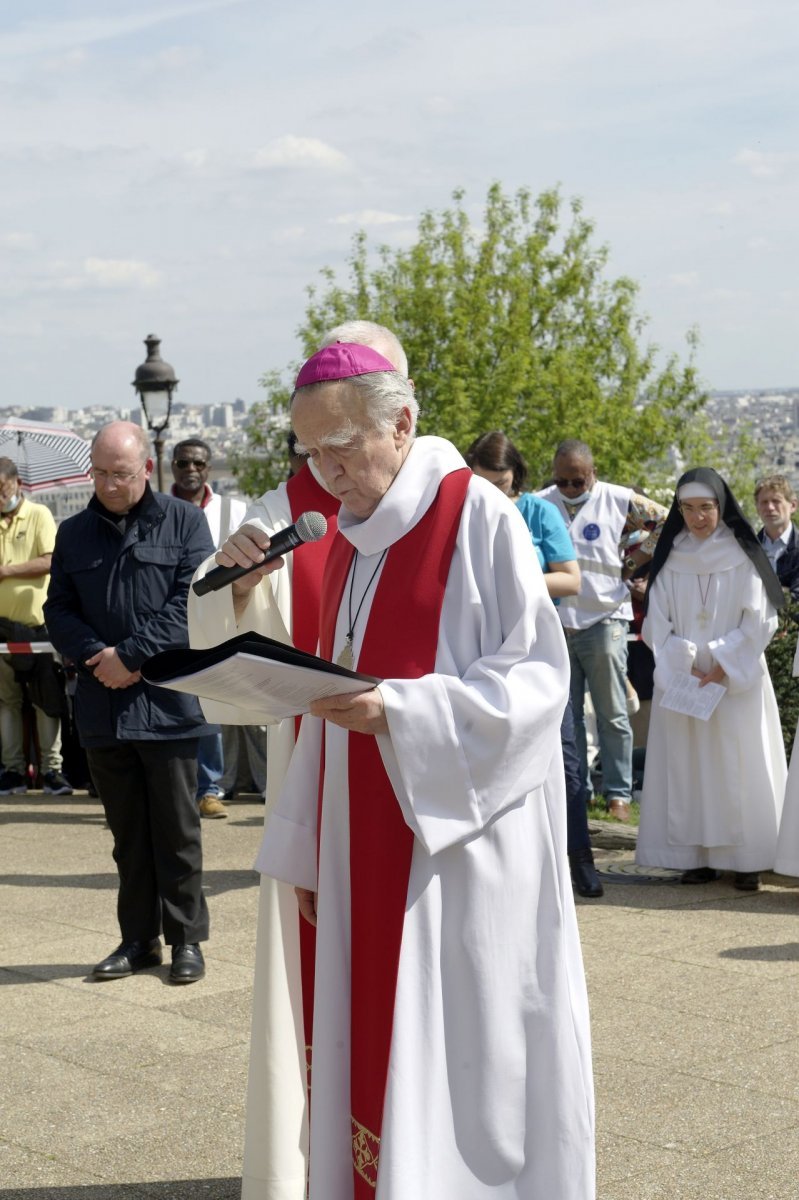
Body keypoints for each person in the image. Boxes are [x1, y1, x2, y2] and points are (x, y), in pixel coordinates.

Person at [249, 344, 594, 1198]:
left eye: (341, 448)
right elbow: (327, 703)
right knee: (373, 1047)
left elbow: (534, 684)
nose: (326, 474)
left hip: (458, 856)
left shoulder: (474, 517)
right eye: (310, 454)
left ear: (400, 424)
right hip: (363, 846)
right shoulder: (353, 540)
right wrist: (306, 845)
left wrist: (399, 714)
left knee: (464, 1055)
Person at [189, 321, 411, 1200]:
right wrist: (239, 580)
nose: (331, 461)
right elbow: (226, 646)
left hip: (415, 771)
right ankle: (310, 1164)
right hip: (315, 772)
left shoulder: (450, 512)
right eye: (316, 443)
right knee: (311, 985)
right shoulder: (285, 514)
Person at [44, 421, 216, 984]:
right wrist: (99, 656)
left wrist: (133, 656)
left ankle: (187, 939)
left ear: (146, 467)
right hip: (103, 705)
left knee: (178, 831)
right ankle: (138, 940)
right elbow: (58, 611)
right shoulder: (73, 534)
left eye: (120, 473)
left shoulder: (186, 522)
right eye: (100, 473)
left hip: (167, 704)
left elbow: (191, 604)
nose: (109, 484)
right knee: (128, 838)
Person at [465, 430, 603, 899]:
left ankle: (578, 855)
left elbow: (571, 580)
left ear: (515, 478)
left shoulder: (538, 511)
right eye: (483, 483)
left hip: (538, 650)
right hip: (478, 650)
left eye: (501, 484)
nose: (493, 493)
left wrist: (516, 579)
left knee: (563, 758)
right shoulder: (463, 511)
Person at [635, 467, 786, 890]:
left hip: (734, 684)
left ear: (721, 507)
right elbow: (655, 622)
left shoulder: (741, 554)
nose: (698, 518)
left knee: (736, 767)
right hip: (685, 683)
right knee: (688, 769)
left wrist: (720, 665)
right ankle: (696, 857)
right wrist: (684, 663)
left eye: (706, 508)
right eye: (689, 509)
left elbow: (761, 619)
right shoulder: (672, 556)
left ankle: (745, 861)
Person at [538, 440, 667, 822]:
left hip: (605, 616)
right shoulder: (541, 501)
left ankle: (618, 792)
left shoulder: (618, 499)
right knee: (568, 712)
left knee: (612, 711)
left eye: (578, 481)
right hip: (558, 620)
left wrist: (634, 561)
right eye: (563, 481)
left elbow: (666, 520)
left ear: (592, 473)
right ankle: (576, 789)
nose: (571, 488)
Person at [171, 437, 247, 818]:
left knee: (209, 703)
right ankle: (179, 789)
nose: (191, 471)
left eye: (198, 464)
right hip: (169, 619)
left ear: (209, 467)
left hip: (215, 617)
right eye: (183, 463)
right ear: (172, 466)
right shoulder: (158, 510)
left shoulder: (232, 511)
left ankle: (208, 789)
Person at [0, 458, 72, 796]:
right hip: (2, 630)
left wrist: (7, 571)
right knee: (7, 702)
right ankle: (13, 770)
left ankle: (52, 771)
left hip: (37, 628)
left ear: (16, 483)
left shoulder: (39, 515)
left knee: (46, 701)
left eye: (3, 487)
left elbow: (51, 559)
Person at [755, 473, 799, 599]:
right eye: (764, 502)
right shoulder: (748, 548)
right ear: (757, 508)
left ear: (793, 505)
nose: (769, 507)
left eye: (776, 501)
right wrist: (783, 591)